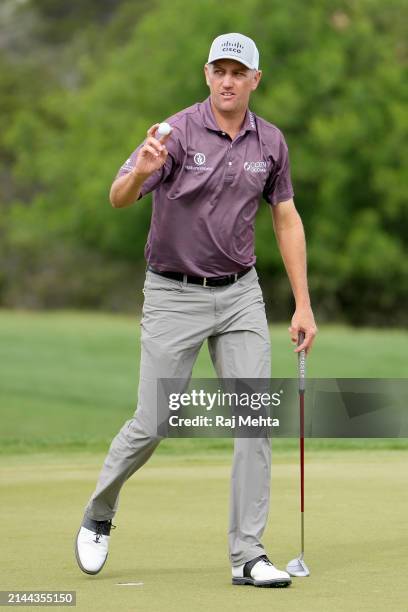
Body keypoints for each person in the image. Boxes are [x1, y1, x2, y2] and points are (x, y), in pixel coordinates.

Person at [75, 32, 317, 588]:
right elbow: (117, 195)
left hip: (240, 295)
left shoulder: (271, 143)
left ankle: (248, 554)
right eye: (219, 70)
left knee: (254, 420)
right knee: (155, 420)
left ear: (256, 79)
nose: (228, 81)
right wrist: (141, 169)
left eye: (239, 72)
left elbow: (285, 217)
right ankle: (100, 511)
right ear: (206, 74)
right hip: (172, 294)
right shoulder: (174, 133)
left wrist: (303, 304)